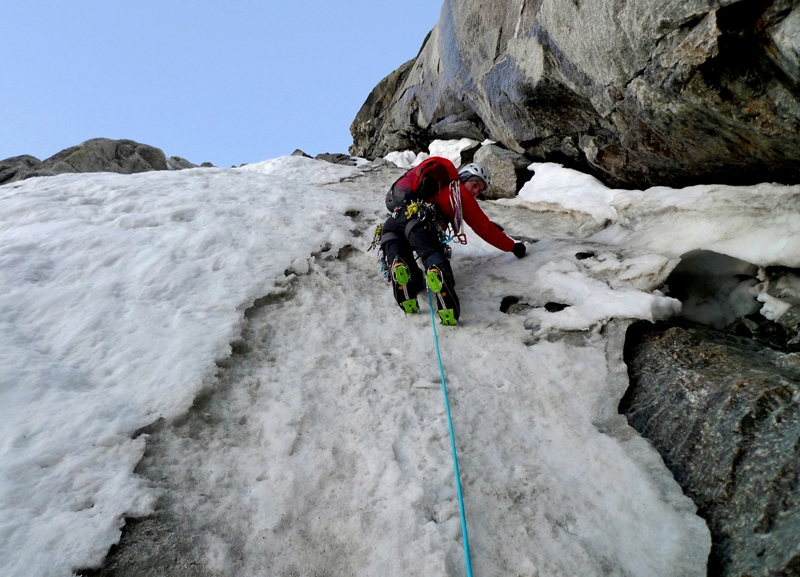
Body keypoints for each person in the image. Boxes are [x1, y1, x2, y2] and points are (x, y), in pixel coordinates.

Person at [379, 156, 526, 325]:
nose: (475, 191)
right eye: (475, 184)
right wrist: (513, 246)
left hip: (392, 223)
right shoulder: (458, 191)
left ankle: (404, 276)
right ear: (464, 177)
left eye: (480, 191)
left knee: (401, 258)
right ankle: (437, 273)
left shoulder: (433, 188)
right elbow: (484, 228)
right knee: (432, 254)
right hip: (419, 224)